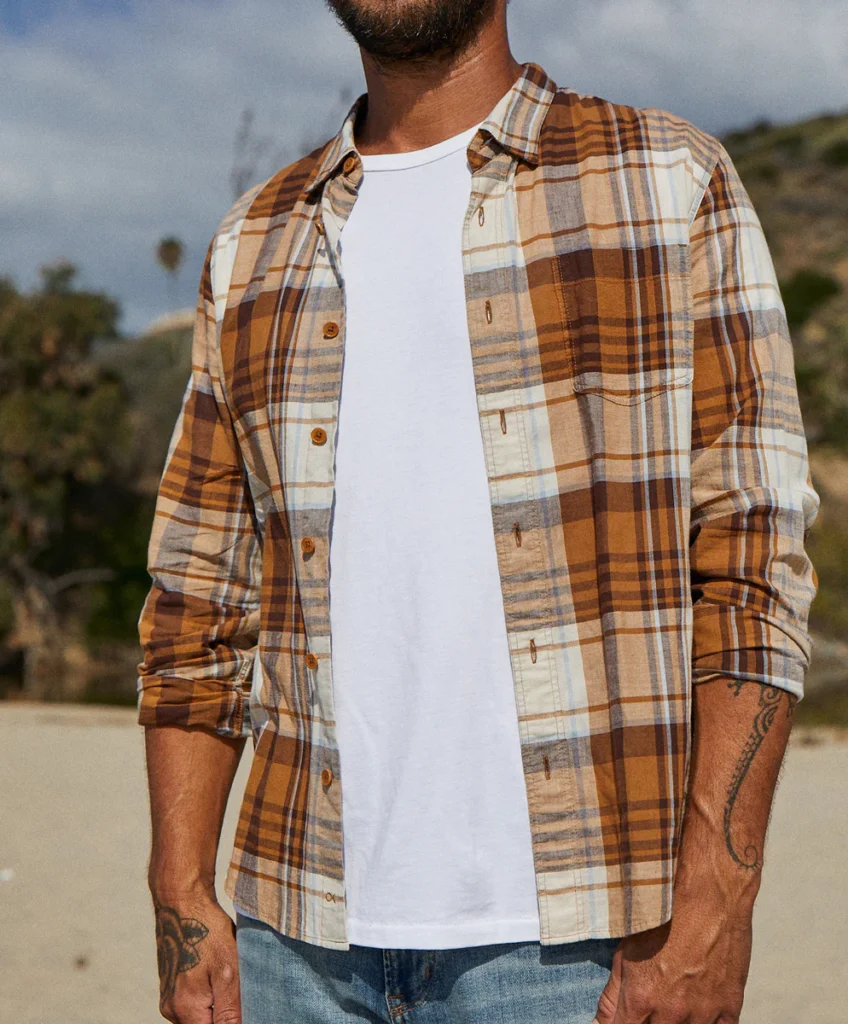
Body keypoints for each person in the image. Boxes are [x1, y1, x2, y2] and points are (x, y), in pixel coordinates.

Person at [136, 2, 821, 1022]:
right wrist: (181, 895)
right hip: (292, 948)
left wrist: (715, 904)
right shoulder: (255, 243)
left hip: (585, 954)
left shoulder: (665, 181)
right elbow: (198, 597)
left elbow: (752, 561)